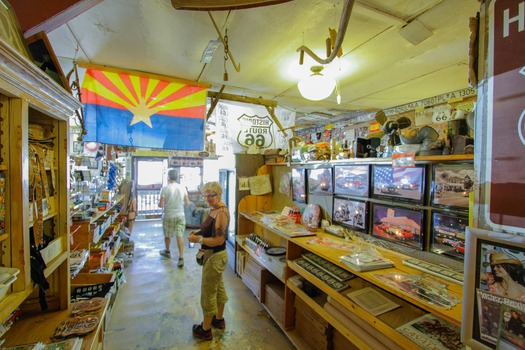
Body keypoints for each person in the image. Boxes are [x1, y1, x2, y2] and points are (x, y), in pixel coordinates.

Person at [188, 181, 229, 340]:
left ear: (219, 195)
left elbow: (219, 239)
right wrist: (199, 232)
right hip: (213, 256)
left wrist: (198, 239)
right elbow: (209, 230)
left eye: (211, 196)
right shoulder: (215, 208)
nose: (207, 199)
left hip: (215, 256)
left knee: (208, 293)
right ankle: (218, 320)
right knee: (218, 288)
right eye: (205, 195)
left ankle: (205, 330)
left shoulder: (221, 213)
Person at [158, 169, 190, 267]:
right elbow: (187, 203)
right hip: (180, 215)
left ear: (168, 177)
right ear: (177, 178)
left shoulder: (165, 189)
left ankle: (167, 252)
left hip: (169, 216)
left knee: (167, 235)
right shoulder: (183, 187)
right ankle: (181, 258)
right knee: (179, 235)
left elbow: (161, 205)